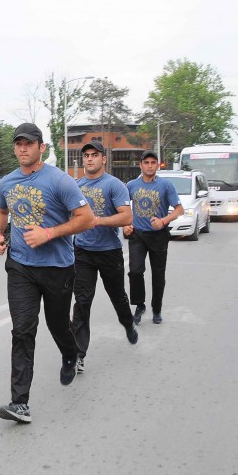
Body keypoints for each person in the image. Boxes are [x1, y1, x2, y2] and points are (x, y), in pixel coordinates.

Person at [0, 123, 94, 424]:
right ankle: (19, 402)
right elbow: (0, 210)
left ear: (41, 147)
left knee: (58, 324)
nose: (23, 148)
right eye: (18, 143)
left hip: (57, 267)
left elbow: (86, 218)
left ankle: (70, 353)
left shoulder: (60, 181)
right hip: (21, 266)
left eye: (29, 143)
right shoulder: (8, 182)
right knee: (23, 330)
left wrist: (49, 233)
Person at [71, 142, 138, 375]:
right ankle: (78, 354)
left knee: (118, 296)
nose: (89, 159)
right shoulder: (76, 185)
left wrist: (97, 220)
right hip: (83, 253)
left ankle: (128, 323)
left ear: (103, 159)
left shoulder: (115, 185)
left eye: (94, 155)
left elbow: (127, 216)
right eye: (86, 156)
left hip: (109, 252)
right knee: (82, 302)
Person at [123, 151, 184, 325]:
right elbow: (123, 208)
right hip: (138, 235)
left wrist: (164, 221)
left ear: (158, 165)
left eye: (153, 162)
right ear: (141, 165)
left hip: (158, 236)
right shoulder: (131, 185)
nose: (150, 165)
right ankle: (139, 305)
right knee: (135, 271)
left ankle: (156, 309)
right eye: (146, 162)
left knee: (158, 275)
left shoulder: (166, 185)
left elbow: (179, 209)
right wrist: (125, 224)